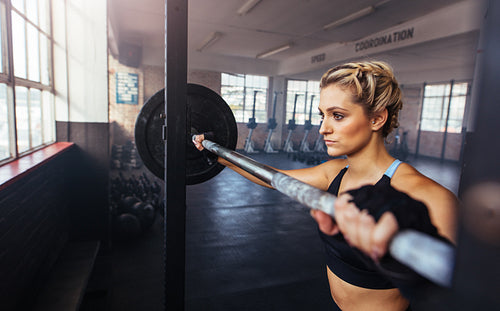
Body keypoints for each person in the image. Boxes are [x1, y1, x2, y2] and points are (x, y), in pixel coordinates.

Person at [193, 61, 458, 311]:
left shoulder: (428, 196)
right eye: (323, 115)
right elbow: (272, 178)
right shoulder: (335, 172)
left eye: (338, 116)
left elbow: (468, 292)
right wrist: (217, 154)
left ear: (377, 119)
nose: (323, 128)